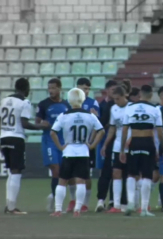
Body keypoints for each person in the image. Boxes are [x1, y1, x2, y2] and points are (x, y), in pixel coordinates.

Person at [0, 78, 48, 215]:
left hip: (4, 137)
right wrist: (40, 127)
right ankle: (12, 208)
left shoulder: (4, 101)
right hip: (16, 138)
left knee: (10, 171)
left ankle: (9, 205)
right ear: (26, 88)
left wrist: (0, 137)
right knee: (16, 171)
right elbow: (24, 123)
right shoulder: (24, 102)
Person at [51, 88, 105, 217]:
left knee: (62, 181)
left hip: (68, 151)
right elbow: (101, 131)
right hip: (83, 151)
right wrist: (92, 145)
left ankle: (58, 209)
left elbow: (53, 132)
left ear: (69, 100)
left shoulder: (64, 116)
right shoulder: (90, 116)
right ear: (83, 99)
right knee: (81, 181)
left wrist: (60, 146)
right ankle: (77, 210)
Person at [121, 85, 163, 217]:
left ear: (140, 94)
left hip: (134, 142)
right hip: (148, 142)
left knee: (131, 174)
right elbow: (160, 132)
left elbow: (124, 130)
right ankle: (144, 209)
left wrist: (122, 150)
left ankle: (130, 202)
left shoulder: (129, 108)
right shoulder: (155, 109)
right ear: (151, 94)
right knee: (147, 175)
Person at [67, 78, 100, 213]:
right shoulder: (70, 102)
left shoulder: (93, 103)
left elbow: (96, 126)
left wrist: (90, 143)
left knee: (86, 175)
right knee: (70, 175)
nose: (85, 91)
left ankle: (85, 203)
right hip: (72, 145)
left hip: (86, 145)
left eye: (87, 89)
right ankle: (72, 200)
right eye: (82, 89)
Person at [36, 78, 69, 213]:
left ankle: (53, 196)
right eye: (49, 88)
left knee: (63, 172)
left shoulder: (67, 105)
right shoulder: (44, 104)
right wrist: (41, 124)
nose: (51, 91)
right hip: (49, 141)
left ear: (60, 89)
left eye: (54, 88)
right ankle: (57, 203)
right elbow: (37, 121)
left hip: (63, 141)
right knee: (55, 169)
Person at [101, 86, 131, 213]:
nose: (116, 101)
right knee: (116, 173)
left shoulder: (132, 108)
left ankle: (129, 203)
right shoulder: (113, 108)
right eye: (114, 99)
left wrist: (130, 141)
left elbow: (137, 128)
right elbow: (112, 128)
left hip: (131, 145)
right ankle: (117, 205)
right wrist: (105, 144)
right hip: (117, 145)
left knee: (131, 175)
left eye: (118, 99)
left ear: (125, 96)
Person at [96, 80, 118, 211]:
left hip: (118, 143)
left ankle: (113, 200)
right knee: (106, 172)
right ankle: (101, 200)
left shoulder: (121, 105)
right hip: (106, 142)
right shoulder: (105, 105)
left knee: (117, 172)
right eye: (112, 90)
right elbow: (101, 124)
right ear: (107, 90)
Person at [154, 86, 163, 209]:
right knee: (155, 175)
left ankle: (161, 201)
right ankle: (145, 201)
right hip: (156, 146)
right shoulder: (156, 109)